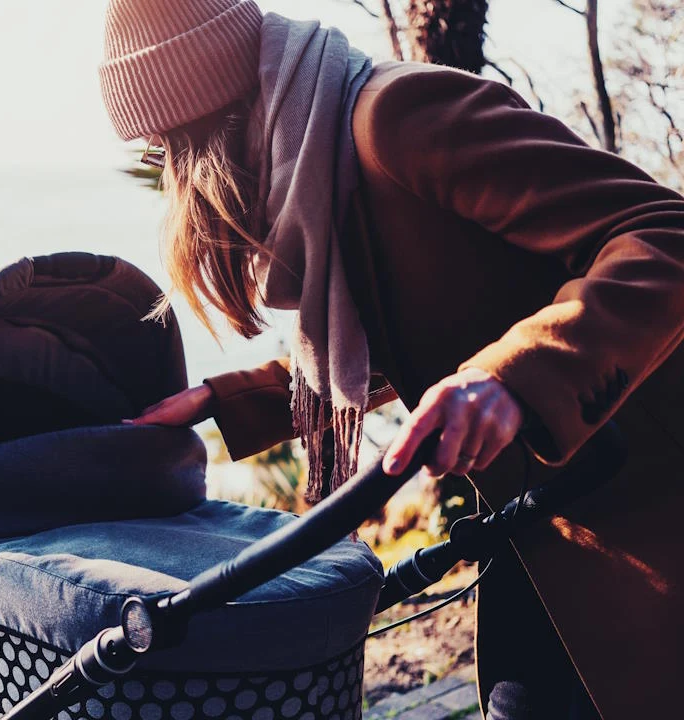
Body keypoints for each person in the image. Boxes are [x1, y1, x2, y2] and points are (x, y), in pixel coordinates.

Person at [98, 1, 684, 718]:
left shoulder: (398, 117)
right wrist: (229, 401)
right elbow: (397, 336)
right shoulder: (324, 163)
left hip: (648, 515)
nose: (168, 172)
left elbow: (664, 230)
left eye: (165, 145)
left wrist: (516, 377)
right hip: (547, 532)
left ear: (201, 117)